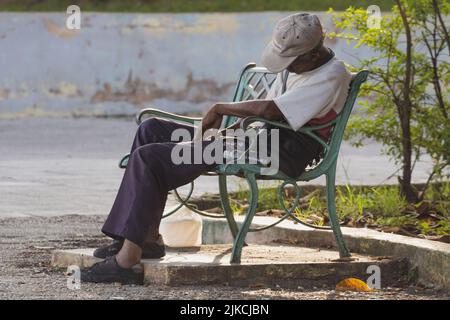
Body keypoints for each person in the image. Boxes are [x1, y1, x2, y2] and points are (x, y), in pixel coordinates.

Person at [80, 12, 352, 284]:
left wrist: (220, 109)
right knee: (151, 129)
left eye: (291, 63)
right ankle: (147, 240)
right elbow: (268, 115)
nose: (286, 68)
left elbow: (271, 110)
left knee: (149, 159)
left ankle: (127, 261)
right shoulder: (301, 66)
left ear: (314, 54)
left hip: (281, 152)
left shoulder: (332, 75)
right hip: (257, 140)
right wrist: (222, 133)